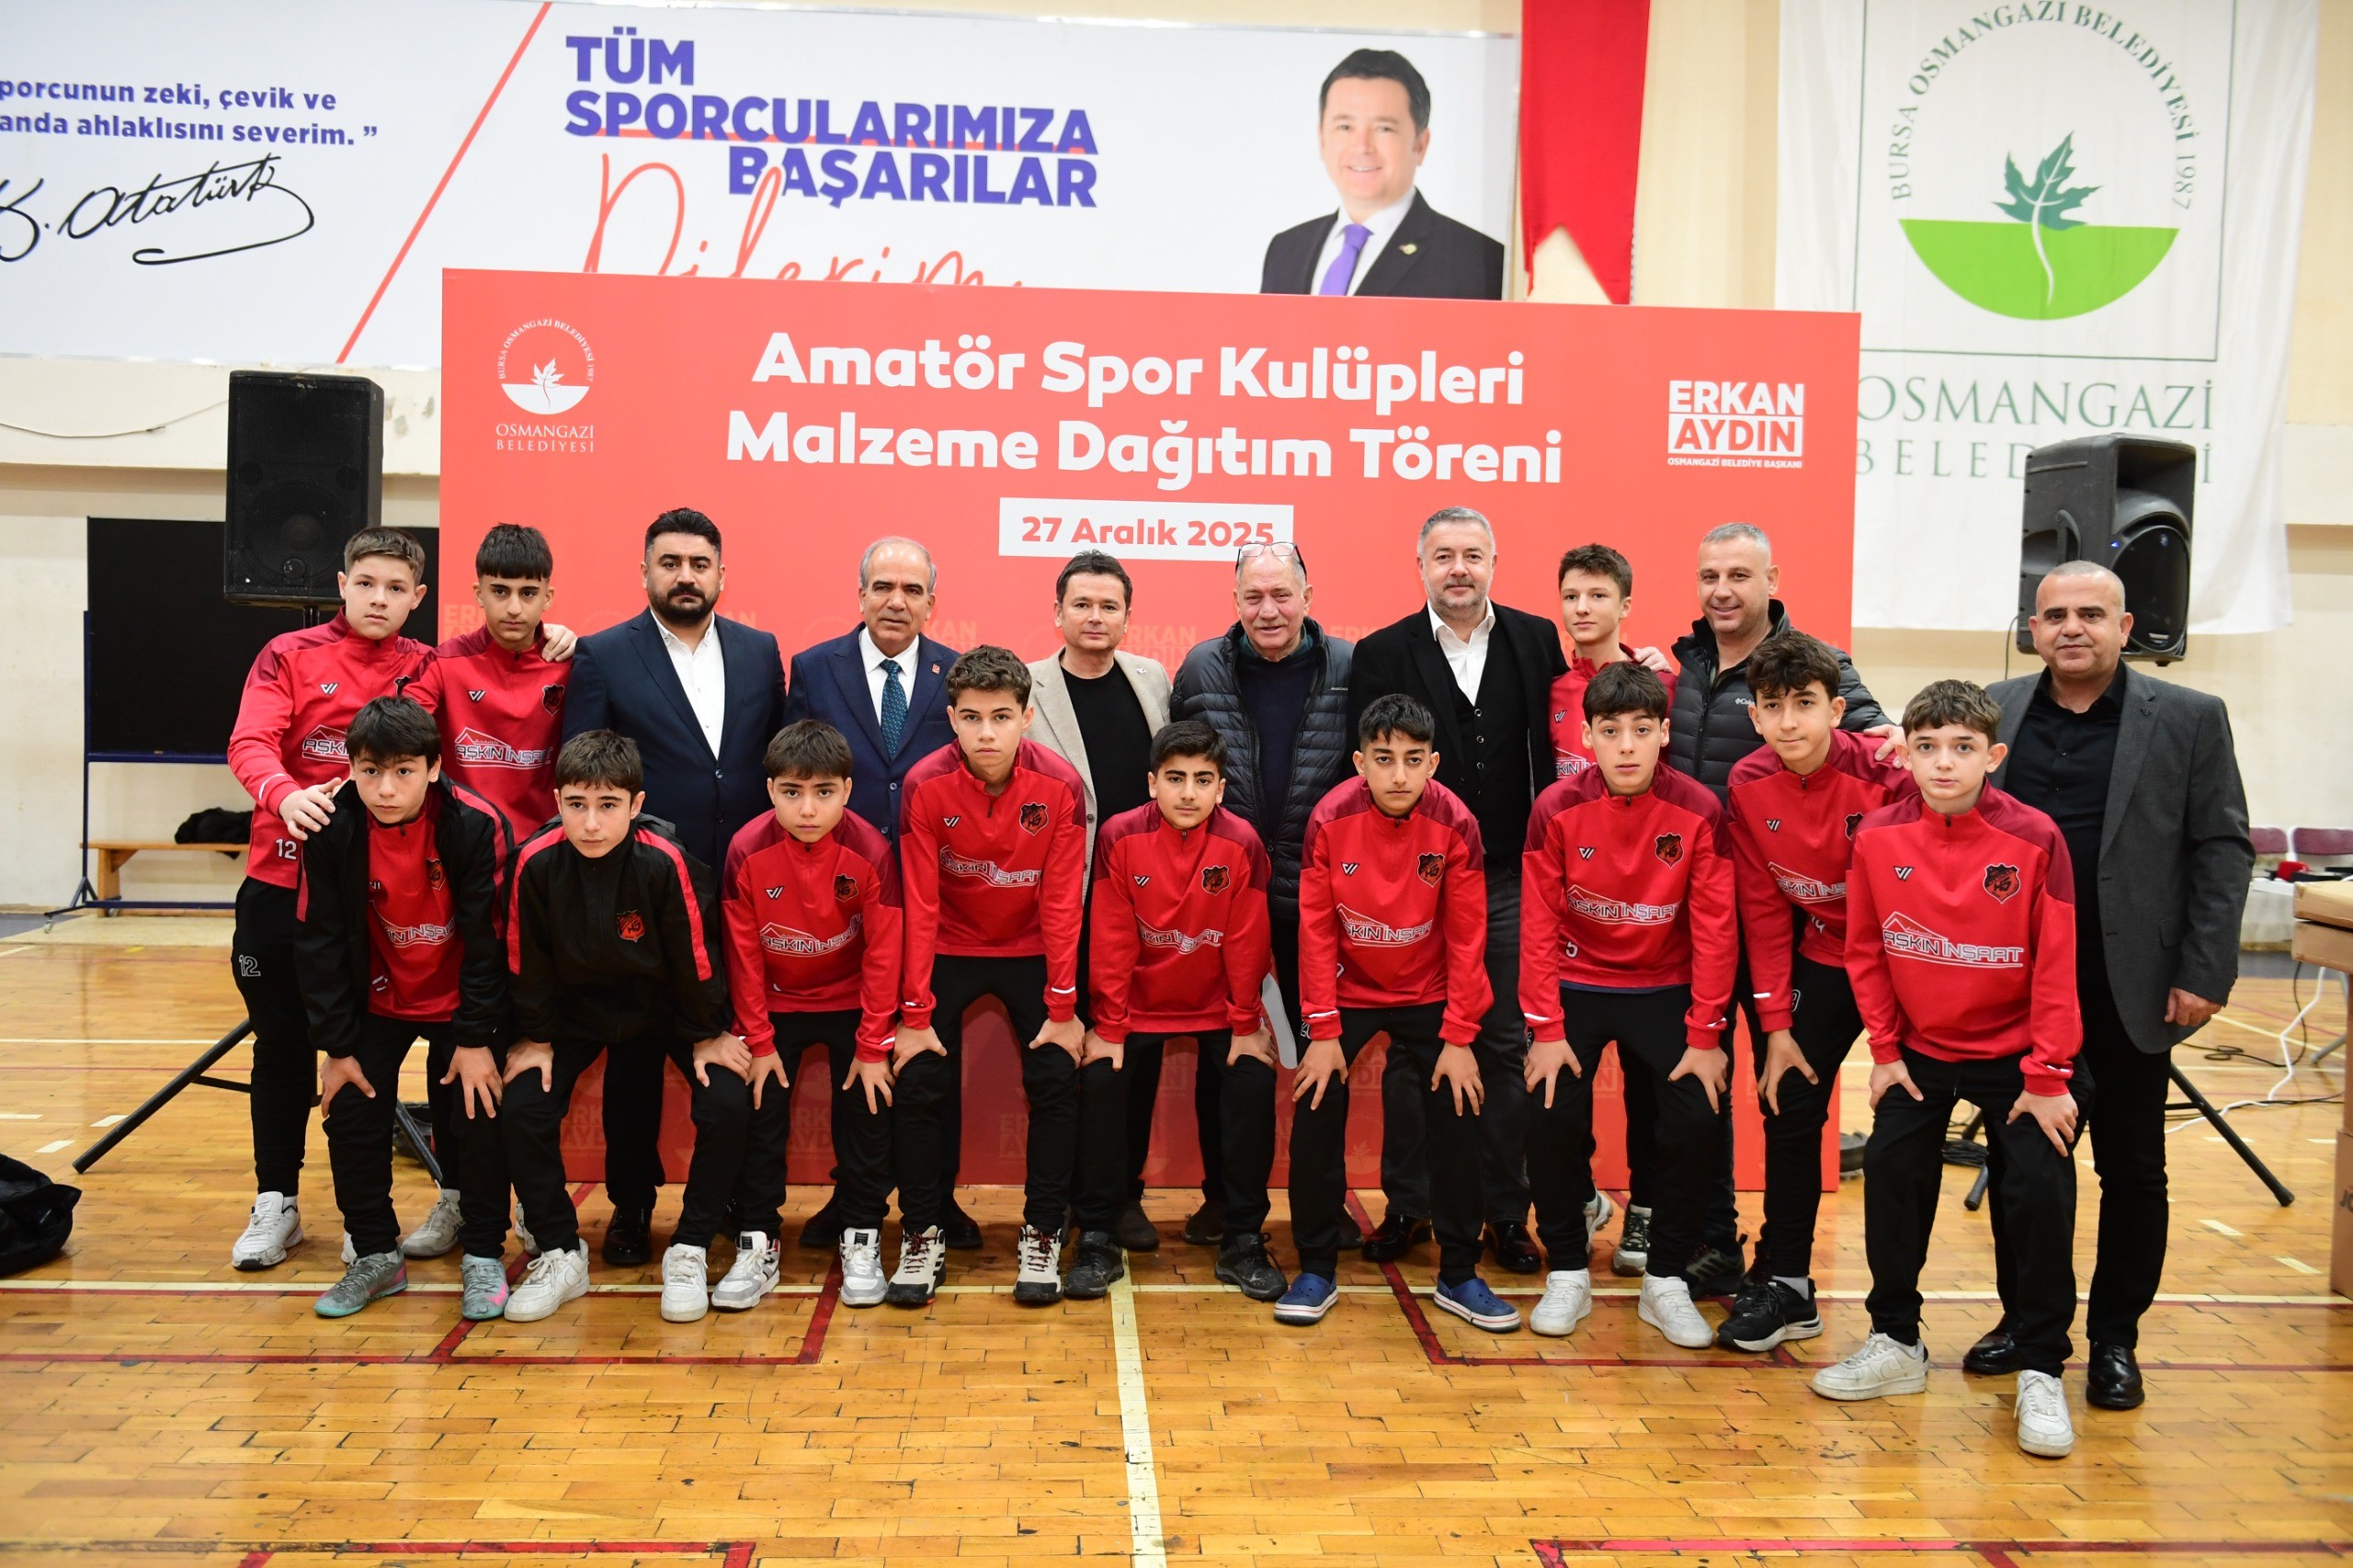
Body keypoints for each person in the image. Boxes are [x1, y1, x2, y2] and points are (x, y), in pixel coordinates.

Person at [1976, 561, 2254, 1410]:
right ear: (2033, 628)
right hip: (2017, 990)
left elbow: (2222, 847)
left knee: (2133, 1172)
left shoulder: (2191, 717)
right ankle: (2028, 1322)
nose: (2072, 628)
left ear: (2125, 628)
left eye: (2091, 614)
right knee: (2023, 1167)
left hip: (2131, 986)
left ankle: (2115, 1340)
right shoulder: (1994, 707)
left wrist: (2205, 968)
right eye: (2055, 614)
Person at [1811, 679, 2084, 1462]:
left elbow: (2056, 963)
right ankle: (1896, 1341)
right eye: (1926, 747)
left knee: (2039, 1191)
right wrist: (1885, 1052)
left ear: (1992, 756)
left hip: (2018, 1060)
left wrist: (2048, 1075)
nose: (1943, 763)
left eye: (1962, 748)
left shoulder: (2035, 838)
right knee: (1893, 1178)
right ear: (1906, 754)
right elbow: (1866, 949)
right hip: (1921, 1052)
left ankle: (2040, 1364)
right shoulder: (1879, 837)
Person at [1665, 521, 1895, 1295]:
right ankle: (1716, 1239)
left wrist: (1903, 737)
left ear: (1772, 581)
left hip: (1802, 928)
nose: (1722, 590)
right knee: (1705, 1079)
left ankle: (1789, 1268)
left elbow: (1877, 737)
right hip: (1705, 907)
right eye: (1710, 575)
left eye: (1739, 574)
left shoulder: (1816, 663)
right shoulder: (1686, 663)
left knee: (1784, 1090)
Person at [563, 508, 786, 1269]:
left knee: (734, 1048)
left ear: (721, 573)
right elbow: (583, 769)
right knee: (632, 1062)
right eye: (670, 563)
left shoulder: (761, 651)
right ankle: (631, 1207)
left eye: (699, 563)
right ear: (645, 572)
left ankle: (734, 1200)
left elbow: (775, 763)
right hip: (640, 895)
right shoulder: (602, 655)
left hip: (743, 892)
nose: (685, 576)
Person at [1347, 506, 1566, 1276]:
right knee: (1414, 1052)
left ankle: (1506, 1213)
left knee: (1502, 1046)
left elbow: (1570, 726)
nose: (1459, 568)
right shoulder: (1381, 652)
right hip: (1416, 886)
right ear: (1421, 566)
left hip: (1506, 879)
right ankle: (1409, 1206)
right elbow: (1365, 770)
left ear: (1494, 562)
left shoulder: (1536, 639)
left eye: (1473, 554)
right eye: (1443, 556)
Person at [225, 527, 434, 1270]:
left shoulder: (428, 666)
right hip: (279, 888)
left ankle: (362, 1216)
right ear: (342, 584)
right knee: (280, 1048)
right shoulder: (287, 654)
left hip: (375, 902)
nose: (379, 599)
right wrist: (284, 796)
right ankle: (275, 1201)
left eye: (395, 588)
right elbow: (249, 743)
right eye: (365, 583)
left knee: (367, 1054)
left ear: (417, 597)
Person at [1518, 663, 1736, 1349]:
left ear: (1664, 733)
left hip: (1664, 986)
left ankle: (1666, 1280)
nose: (1627, 746)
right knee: (1549, 1109)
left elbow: (1715, 928)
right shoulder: (1555, 807)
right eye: (1610, 732)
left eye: (1642, 730)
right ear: (1586, 737)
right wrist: (1545, 1029)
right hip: (1577, 983)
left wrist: (1707, 1033)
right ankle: (1568, 1271)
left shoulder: (1699, 809)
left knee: (1695, 1119)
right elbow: (1538, 925)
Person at [497, 731, 744, 1326]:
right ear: (557, 801)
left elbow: (696, 957)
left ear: (636, 805)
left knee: (728, 1100)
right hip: (575, 1012)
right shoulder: (534, 862)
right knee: (523, 1104)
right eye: (576, 805)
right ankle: (561, 1251)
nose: (591, 823)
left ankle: (690, 1245)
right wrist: (536, 1037)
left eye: (608, 805)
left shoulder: (665, 860)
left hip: (665, 1008)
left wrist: (707, 1033)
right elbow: (524, 959)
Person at [1283, 695, 1509, 1332]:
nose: (1400, 775)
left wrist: (1459, 1035)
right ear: (1360, 763)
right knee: (1316, 1099)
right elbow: (1315, 931)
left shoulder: (1455, 822)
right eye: (1384, 759)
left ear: (1433, 763)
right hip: (1348, 989)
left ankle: (1460, 1272)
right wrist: (1322, 1028)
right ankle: (1315, 1268)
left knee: (1460, 1103)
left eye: (1414, 760)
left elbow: (1468, 935)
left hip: (1428, 990)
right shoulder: (1330, 818)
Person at [1716, 633, 1915, 1352]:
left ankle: (1900, 1320)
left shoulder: (1891, 774)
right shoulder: (1747, 783)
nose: (1790, 721)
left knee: (1907, 1131)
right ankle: (1789, 1285)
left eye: (1805, 704)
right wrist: (1775, 1025)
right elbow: (1765, 909)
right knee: (1790, 1101)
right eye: (1773, 706)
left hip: (1905, 963)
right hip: (1826, 956)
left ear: (1836, 709)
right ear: (1755, 717)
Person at [290, 698, 514, 1320]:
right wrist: (337, 1047)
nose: (385, 789)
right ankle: (375, 1256)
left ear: (434, 768)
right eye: (370, 772)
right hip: (378, 999)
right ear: (351, 769)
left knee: (478, 1110)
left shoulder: (476, 824)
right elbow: (318, 941)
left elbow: (491, 941)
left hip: (461, 1001)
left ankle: (484, 1252)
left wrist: (476, 1037)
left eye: (404, 772)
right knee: (350, 1111)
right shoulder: (332, 827)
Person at [1170, 543, 1358, 1250]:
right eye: (1253, 596)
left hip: (1320, 899)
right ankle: (1224, 1200)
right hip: (1228, 898)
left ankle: (1322, 1205)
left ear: (1309, 595)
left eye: (1282, 594)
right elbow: (1178, 776)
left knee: (1323, 1053)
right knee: (1228, 1056)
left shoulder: (1351, 666)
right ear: (1235, 601)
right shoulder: (1200, 668)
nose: (1268, 610)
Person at [887, 647, 1088, 1309]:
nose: (986, 733)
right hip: (949, 945)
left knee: (1056, 1074)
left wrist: (1063, 1006)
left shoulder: (1061, 785)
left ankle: (1043, 1229)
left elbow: (1062, 901)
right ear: (951, 718)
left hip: (1032, 946)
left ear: (1027, 717)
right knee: (919, 1075)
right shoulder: (924, 784)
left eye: (1001, 717)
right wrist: (914, 1015)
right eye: (971, 717)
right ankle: (922, 1231)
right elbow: (920, 902)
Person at [781, 537, 966, 1245]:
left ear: (932, 603)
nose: (897, 601)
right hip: (836, 898)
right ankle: (852, 1196)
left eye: (912, 590)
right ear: (860, 595)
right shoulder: (814, 668)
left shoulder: (955, 673)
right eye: (883, 587)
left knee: (927, 1059)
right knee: (852, 1055)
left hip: (933, 898)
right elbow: (796, 769)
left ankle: (936, 1198)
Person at [399, 520, 575, 1259]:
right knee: (454, 1049)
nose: (514, 607)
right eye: (499, 591)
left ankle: (530, 1203)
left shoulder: (571, 663)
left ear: (548, 596)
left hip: (544, 890)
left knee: (528, 1054)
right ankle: (456, 1195)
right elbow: (399, 745)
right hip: (461, 887)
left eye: (528, 593)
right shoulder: (441, 665)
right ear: (476, 592)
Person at [1074, 722, 1280, 1303]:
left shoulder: (1242, 842)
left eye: (1203, 780)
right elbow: (1112, 937)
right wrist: (1108, 1026)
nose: (1188, 793)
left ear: (1221, 788)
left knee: (1251, 1078)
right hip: (1137, 1006)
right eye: (1175, 779)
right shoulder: (1119, 835)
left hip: (1217, 1006)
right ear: (1152, 783)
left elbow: (1247, 939)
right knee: (1101, 1077)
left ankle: (1243, 1237)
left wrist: (1246, 1024)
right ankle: (1098, 1233)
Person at [720, 721, 904, 1311]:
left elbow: (884, 954)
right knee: (760, 1107)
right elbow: (742, 955)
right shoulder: (745, 849)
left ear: (847, 790)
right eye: (792, 792)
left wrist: (873, 1045)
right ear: (769, 789)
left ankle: (862, 1236)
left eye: (823, 792)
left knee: (869, 1105)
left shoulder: (871, 850)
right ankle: (758, 1242)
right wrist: (758, 1040)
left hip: (851, 1001)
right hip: (776, 1005)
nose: (807, 809)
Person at [1025, 551, 1172, 1255]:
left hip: (1143, 904)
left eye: (1108, 606)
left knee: (1132, 1056)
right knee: (1062, 1060)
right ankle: (1059, 1199)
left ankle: (1120, 1196)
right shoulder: (1026, 685)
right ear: (1057, 612)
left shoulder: (1151, 680)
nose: (1094, 617)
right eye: (1081, 604)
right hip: (1056, 903)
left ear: (1127, 616)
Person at [1545, 542, 1673, 1276]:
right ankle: (1585, 1199)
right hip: (1577, 923)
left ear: (1625, 604)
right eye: (1572, 596)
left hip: (1653, 920)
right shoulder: (1552, 689)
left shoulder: (1663, 682)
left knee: (1655, 1091)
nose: (1583, 608)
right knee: (1559, 1092)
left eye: (1598, 595)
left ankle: (1647, 1216)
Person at [1261, 49, 1504, 300]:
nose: (1362, 146)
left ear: (1421, 145)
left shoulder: (1479, 263)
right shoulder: (1286, 250)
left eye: (1384, 128)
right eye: (1345, 127)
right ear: (1322, 139)